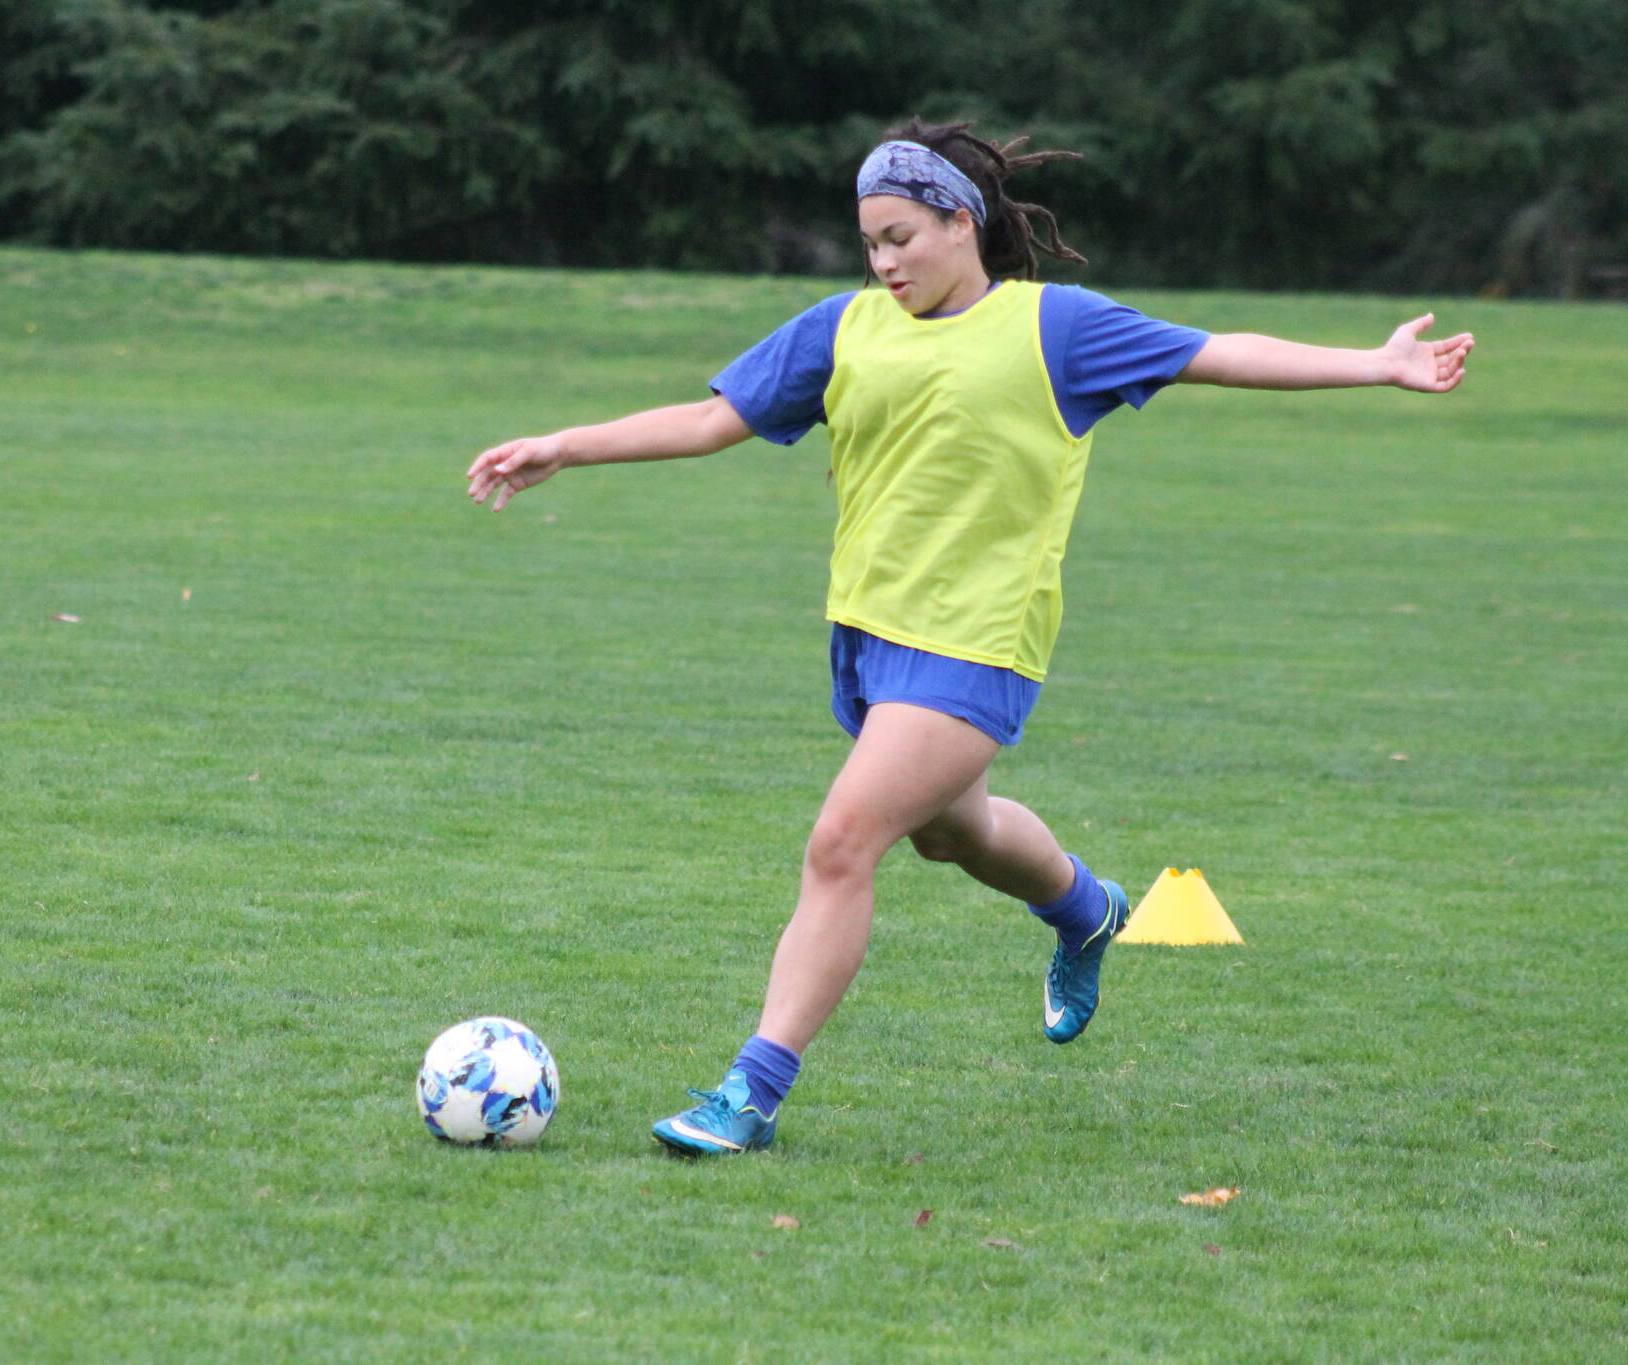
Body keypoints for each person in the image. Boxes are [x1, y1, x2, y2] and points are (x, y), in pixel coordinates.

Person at [464, 118, 1474, 1156]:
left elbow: (1217, 355)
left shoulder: (1057, 330)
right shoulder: (843, 329)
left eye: (900, 236)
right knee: (953, 834)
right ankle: (1083, 908)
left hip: (978, 645)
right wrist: (563, 446)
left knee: (841, 843)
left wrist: (1376, 364)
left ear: (962, 221)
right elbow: (710, 419)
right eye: (869, 243)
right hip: (868, 639)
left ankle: (749, 1093)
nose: (883, 261)